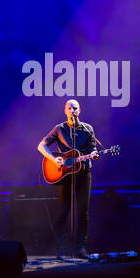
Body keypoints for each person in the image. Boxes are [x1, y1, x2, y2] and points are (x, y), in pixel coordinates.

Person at [38, 99, 99, 259]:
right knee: (63, 211)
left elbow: (93, 148)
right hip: (64, 175)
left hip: (84, 173)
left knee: (83, 212)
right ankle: (61, 249)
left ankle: (81, 248)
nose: (72, 110)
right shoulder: (59, 129)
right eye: (69, 108)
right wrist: (52, 159)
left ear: (80, 110)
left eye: (75, 108)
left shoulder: (88, 129)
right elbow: (41, 145)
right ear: (65, 111)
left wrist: (94, 154)